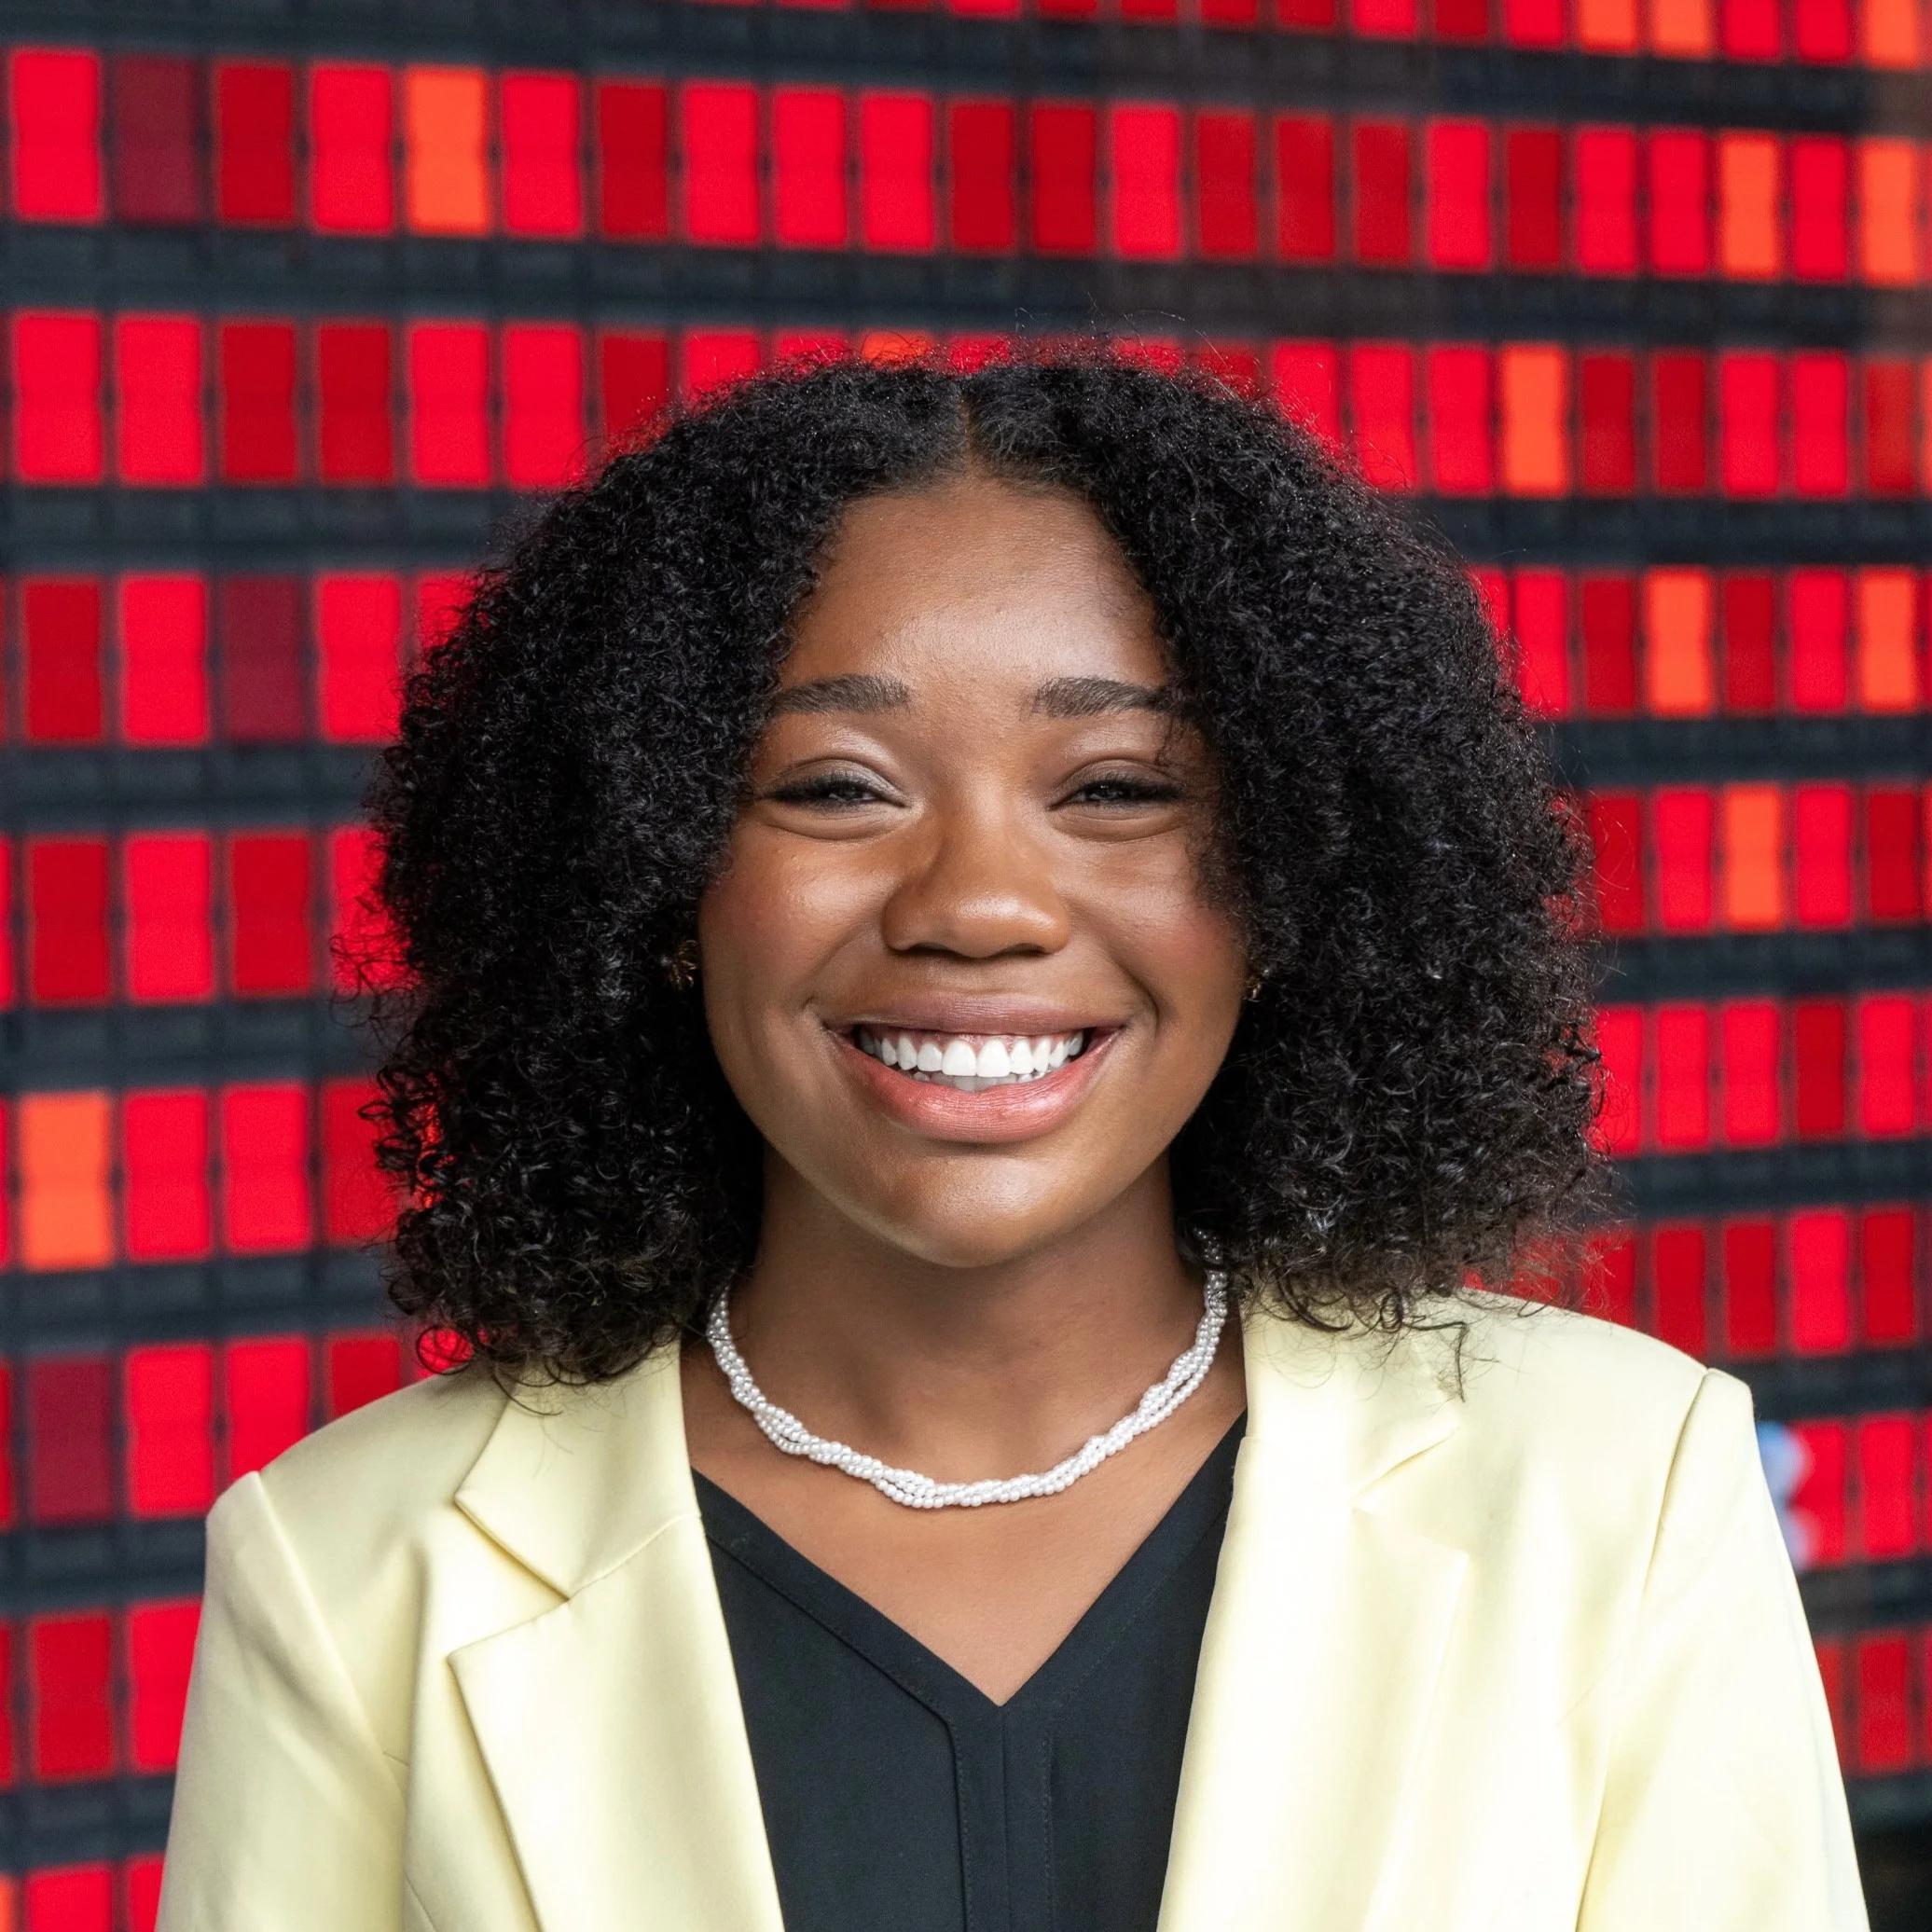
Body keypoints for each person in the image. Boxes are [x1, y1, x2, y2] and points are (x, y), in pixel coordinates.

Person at [157, 354, 1867, 1932]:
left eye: (1119, 786)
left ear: (1288, 877)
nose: (978, 903)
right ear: (658, 878)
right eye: (833, 786)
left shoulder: (1621, 1491)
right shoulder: (350, 1571)